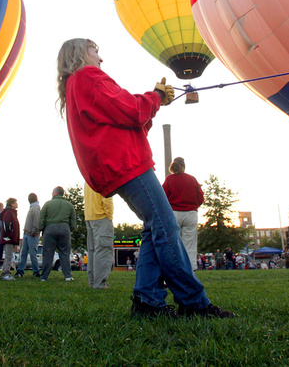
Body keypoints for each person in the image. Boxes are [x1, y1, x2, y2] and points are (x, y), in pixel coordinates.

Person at [56, 38, 233, 318]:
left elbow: (123, 121)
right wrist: (155, 98)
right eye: (95, 51)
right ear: (79, 55)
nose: (101, 59)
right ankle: (193, 302)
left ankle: (147, 301)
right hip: (127, 164)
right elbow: (129, 109)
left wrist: (155, 101)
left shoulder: (74, 86)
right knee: (166, 228)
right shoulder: (88, 76)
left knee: (155, 228)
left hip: (115, 165)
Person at [162, 157, 204, 270]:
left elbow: (163, 196)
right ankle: (191, 268)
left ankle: (174, 267)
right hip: (190, 213)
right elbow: (200, 197)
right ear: (184, 166)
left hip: (174, 213)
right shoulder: (192, 179)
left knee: (173, 242)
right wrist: (194, 205)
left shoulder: (169, 179)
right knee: (189, 242)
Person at [39, 186, 77, 282]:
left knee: (47, 253)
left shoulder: (47, 204)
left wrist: (41, 229)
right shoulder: (69, 205)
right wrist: (69, 229)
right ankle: (68, 276)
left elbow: (41, 218)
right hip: (64, 229)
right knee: (64, 253)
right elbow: (73, 222)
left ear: (56, 193)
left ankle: (44, 276)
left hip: (50, 229)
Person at [85, 184, 113, 289]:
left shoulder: (89, 173)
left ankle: (93, 282)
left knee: (92, 251)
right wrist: (109, 215)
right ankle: (100, 283)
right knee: (103, 250)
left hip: (89, 216)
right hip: (101, 216)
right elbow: (107, 196)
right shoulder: (103, 172)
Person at [15, 193, 41, 278]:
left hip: (31, 234)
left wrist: (34, 232)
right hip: (28, 233)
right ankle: (20, 270)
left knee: (32, 253)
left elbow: (37, 223)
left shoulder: (35, 209)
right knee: (24, 253)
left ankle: (36, 271)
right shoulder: (33, 208)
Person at [0, 198, 21, 281]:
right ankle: (5, 273)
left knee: (10, 256)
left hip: (11, 239)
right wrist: (10, 236)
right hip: (8, 239)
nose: (17, 204)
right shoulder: (9, 213)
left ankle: (7, 272)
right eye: (16, 202)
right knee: (8, 256)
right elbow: (7, 226)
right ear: (12, 204)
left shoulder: (12, 213)